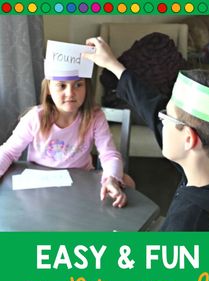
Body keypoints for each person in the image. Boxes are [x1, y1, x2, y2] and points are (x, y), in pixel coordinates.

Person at [83, 37, 209, 231]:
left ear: (189, 139)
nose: (160, 119)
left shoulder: (187, 223)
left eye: (167, 117)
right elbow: (151, 107)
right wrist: (113, 65)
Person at [0, 41, 134, 208]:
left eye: (78, 85)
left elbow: (109, 155)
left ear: (87, 87)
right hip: (38, 189)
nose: (70, 93)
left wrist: (112, 178)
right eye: (61, 86)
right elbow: (8, 152)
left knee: (127, 181)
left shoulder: (95, 117)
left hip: (79, 186)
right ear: (49, 88)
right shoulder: (35, 117)